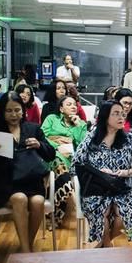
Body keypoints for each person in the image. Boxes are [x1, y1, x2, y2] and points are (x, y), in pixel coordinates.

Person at [0, 92, 56, 253]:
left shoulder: (32, 128)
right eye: (9, 111)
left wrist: (39, 145)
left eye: (17, 110)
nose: (13, 115)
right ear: (1, 111)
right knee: (20, 199)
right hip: (2, 181)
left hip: (29, 179)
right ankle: (26, 252)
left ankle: (27, 245)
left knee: (38, 202)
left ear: (23, 110)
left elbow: (50, 154)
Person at [71, 101, 132, 248]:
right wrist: (98, 173)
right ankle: (107, 247)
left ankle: (103, 245)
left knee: (123, 214)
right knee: (102, 211)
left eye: (123, 114)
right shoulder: (91, 138)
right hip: (97, 187)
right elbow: (76, 163)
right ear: (105, 117)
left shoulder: (131, 140)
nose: (121, 117)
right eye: (116, 113)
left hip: (122, 186)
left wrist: (125, 172)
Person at [41, 96, 87, 226]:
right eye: (69, 104)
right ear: (61, 108)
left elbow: (82, 145)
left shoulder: (81, 124)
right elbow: (42, 136)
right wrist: (57, 145)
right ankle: (71, 194)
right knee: (57, 160)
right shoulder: (51, 119)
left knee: (60, 167)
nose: (73, 107)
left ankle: (55, 213)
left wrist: (78, 126)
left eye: (74, 104)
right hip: (50, 155)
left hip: (71, 159)